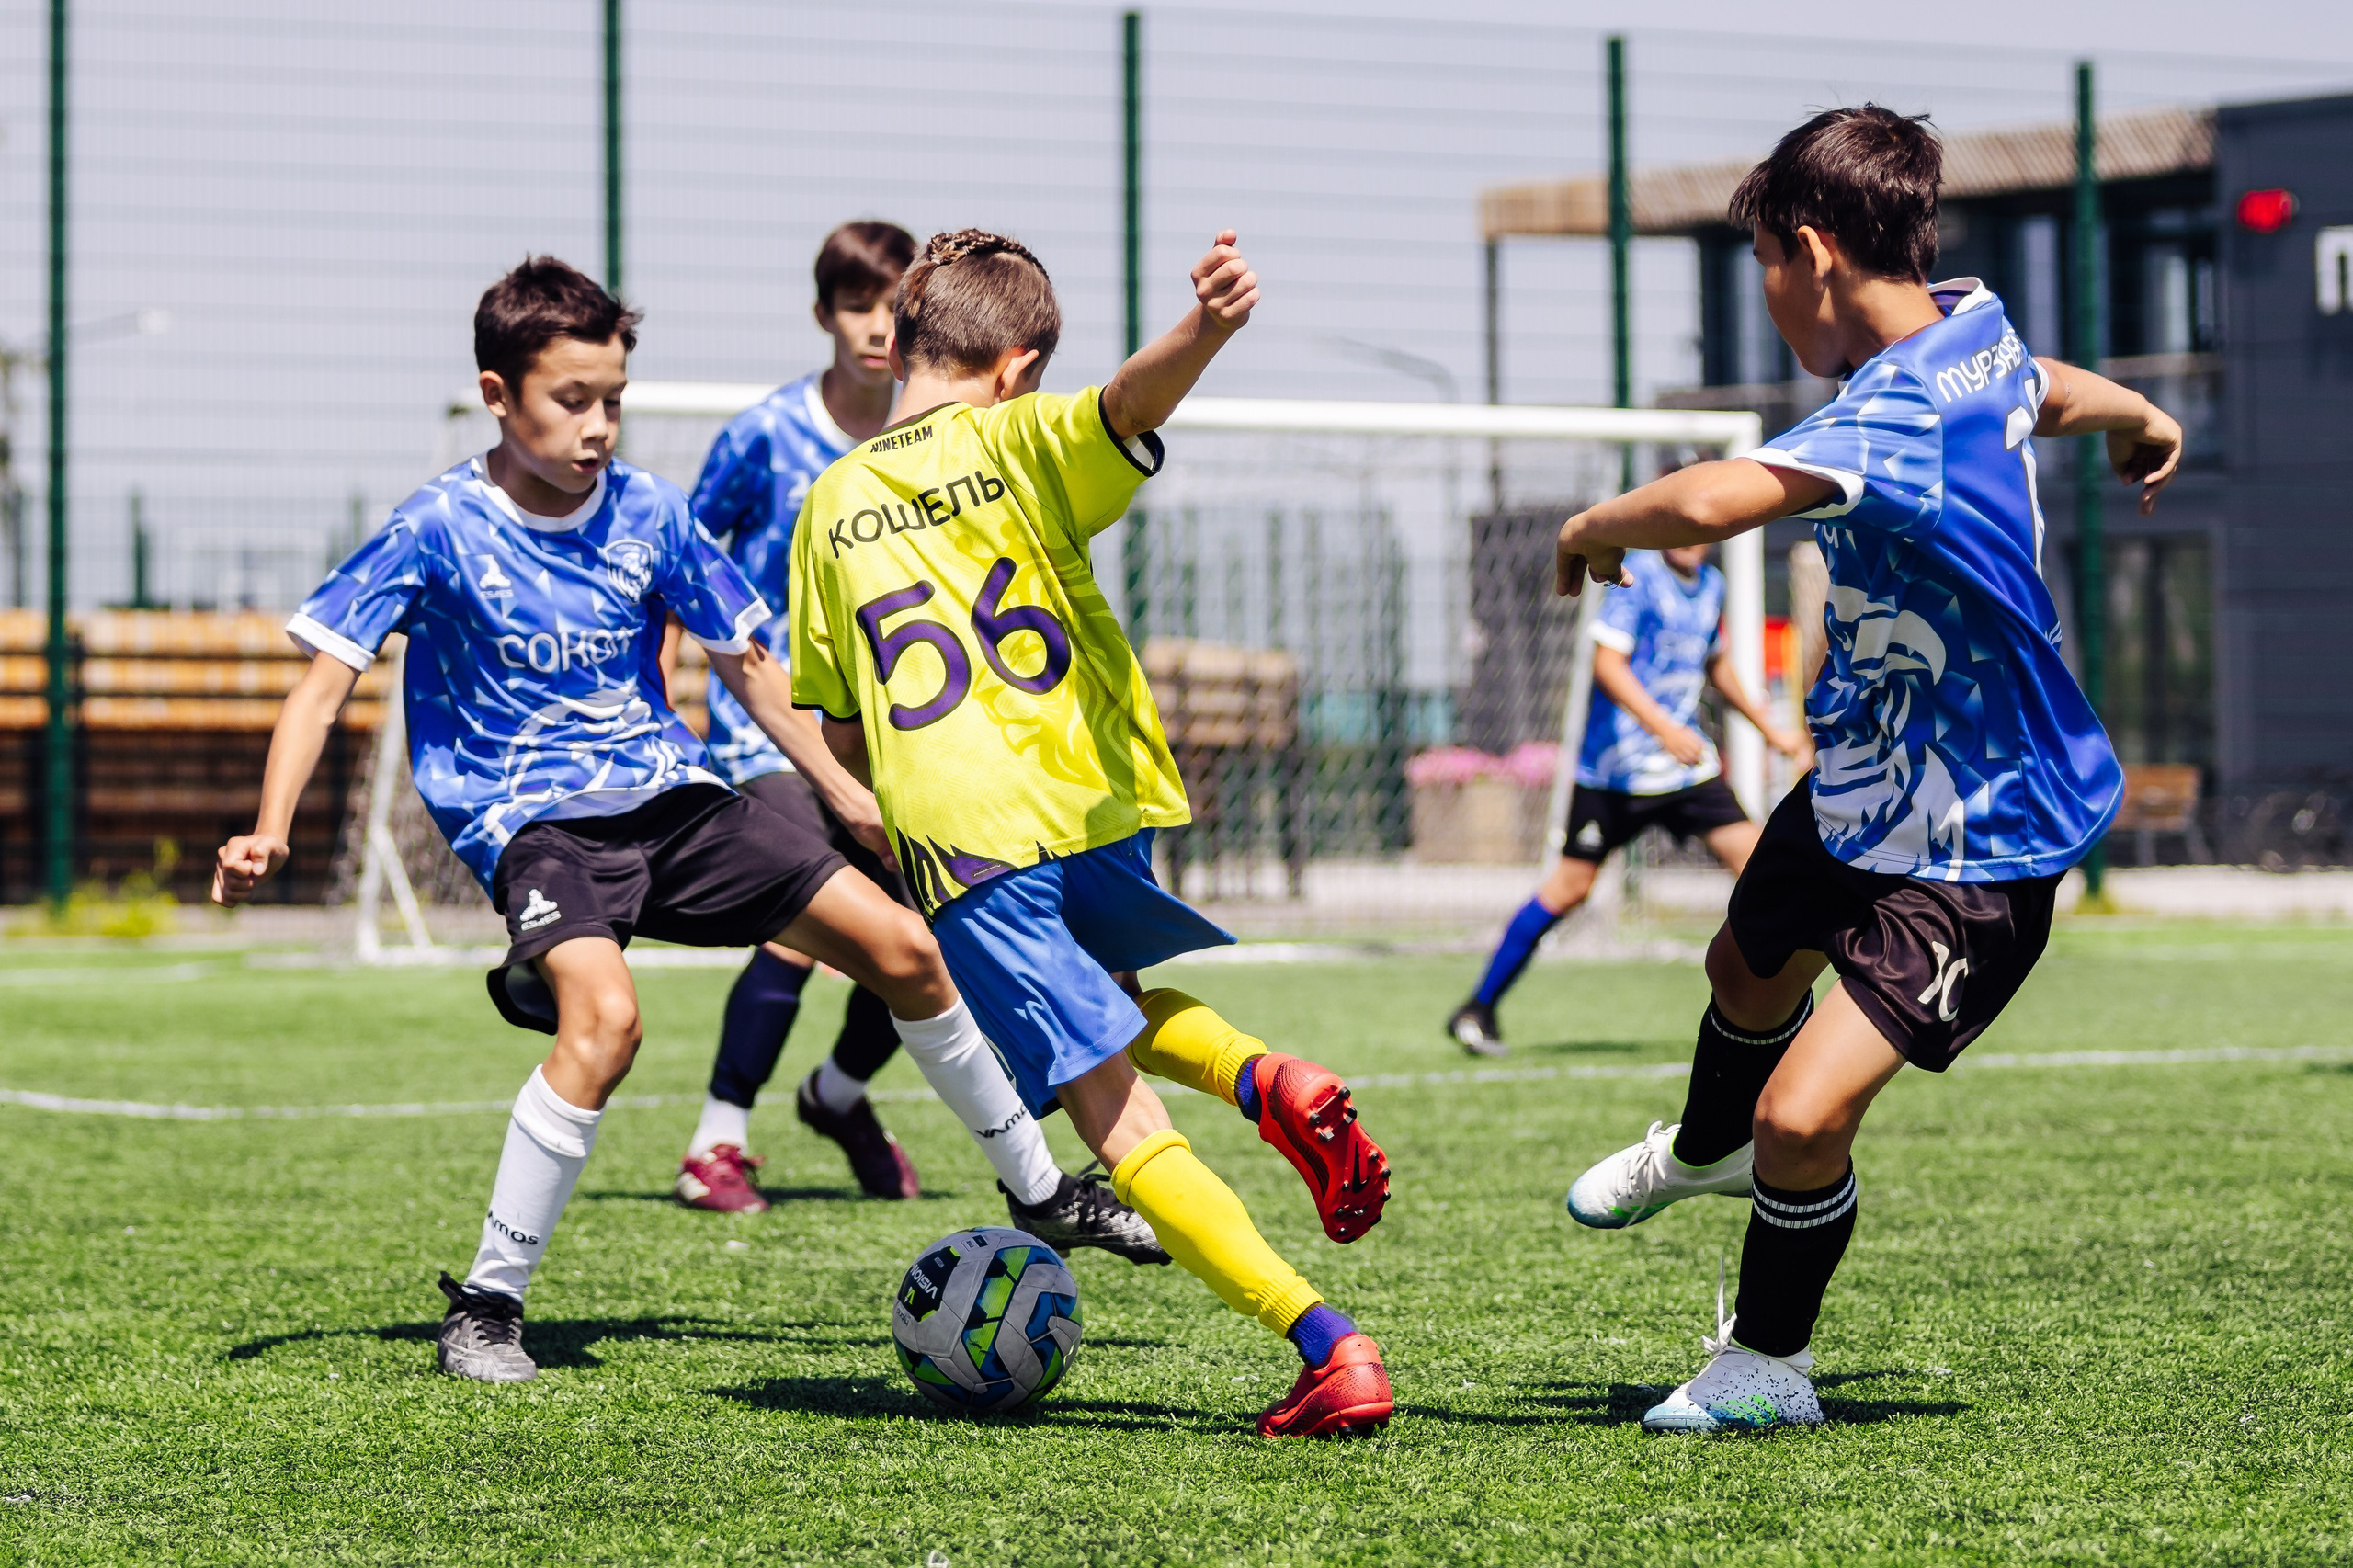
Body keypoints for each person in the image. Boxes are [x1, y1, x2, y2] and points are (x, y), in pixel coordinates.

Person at [212, 257, 1160, 1387]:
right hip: (540, 824)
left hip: (678, 795)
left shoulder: (651, 511)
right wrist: (268, 825)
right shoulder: (438, 526)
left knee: (907, 947)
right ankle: (486, 1305)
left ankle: (1040, 1188)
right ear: (497, 393)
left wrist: (852, 797)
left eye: (613, 399)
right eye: (571, 400)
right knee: (607, 1024)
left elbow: (751, 667)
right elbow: (322, 679)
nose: (598, 425)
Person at [1552, 106, 2180, 1432]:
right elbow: (2046, 387)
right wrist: (2139, 413)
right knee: (1742, 969)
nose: (1770, 299)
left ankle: (1767, 1363)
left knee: (1805, 1113)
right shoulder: (1969, 331)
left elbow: (1720, 498)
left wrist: (1594, 520)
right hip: (1863, 786)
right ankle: (1703, 1150)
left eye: (1766, 270)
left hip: (1982, 838)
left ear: (1812, 251)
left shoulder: (1890, 412)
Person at [790, 228, 1396, 1438]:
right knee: (1101, 1007)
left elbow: (842, 731)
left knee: (1109, 1107)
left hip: (964, 832)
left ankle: (1325, 1342)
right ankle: (1265, 1075)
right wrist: (1210, 327)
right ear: (1016, 367)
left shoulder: (829, 502)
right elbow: (1124, 403)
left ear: (903, 341)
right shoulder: (1020, 440)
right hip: (1092, 795)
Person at [1447, 539, 1810, 1056]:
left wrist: (1772, 732)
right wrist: (1663, 727)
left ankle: (1787, 1017)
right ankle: (1478, 1008)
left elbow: (1716, 664)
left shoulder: (1712, 585)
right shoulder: (1634, 578)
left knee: (1765, 870)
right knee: (1570, 888)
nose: (1691, 537)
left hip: (1686, 772)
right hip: (1615, 773)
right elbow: (1608, 665)